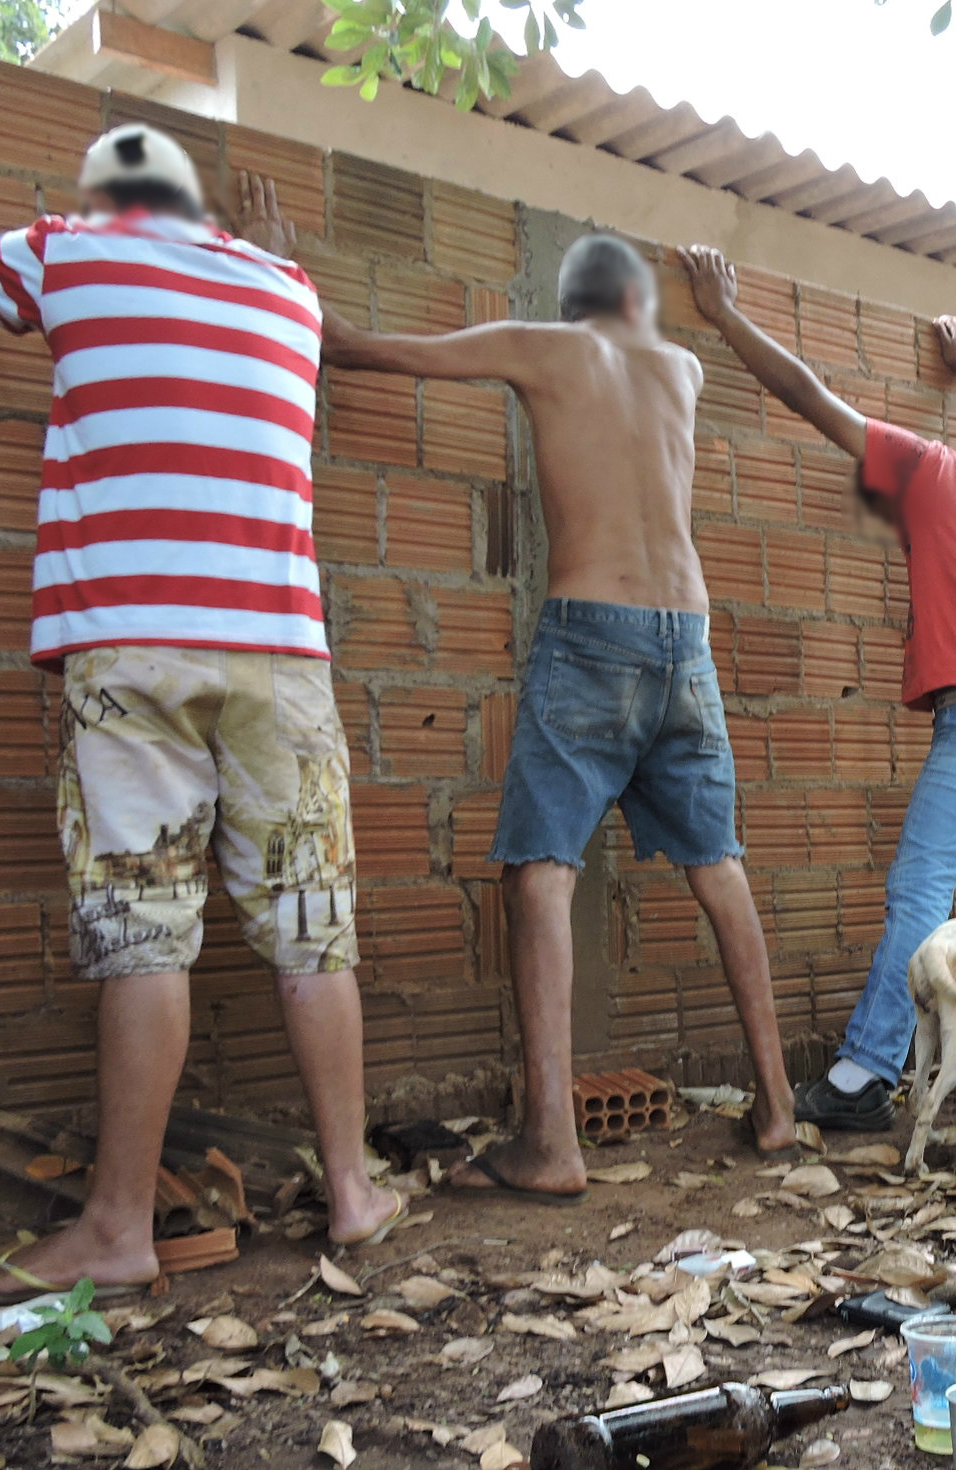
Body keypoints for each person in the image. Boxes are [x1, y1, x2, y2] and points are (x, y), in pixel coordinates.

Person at [0, 129, 402, 1305]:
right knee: (311, 919)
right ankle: (354, 1189)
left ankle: (116, 1226)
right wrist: (270, 254)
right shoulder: (288, 288)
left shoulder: (61, 252)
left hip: (134, 643)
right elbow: (260, 313)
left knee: (144, 928)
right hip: (282, 651)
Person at [308, 216, 800, 1183]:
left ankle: (551, 1142)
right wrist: (723, 309)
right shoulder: (681, 372)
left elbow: (392, 352)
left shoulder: (545, 345)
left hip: (592, 632)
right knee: (719, 862)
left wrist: (309, 317)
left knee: (540, 865)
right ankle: (779, 1106)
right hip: (686, 643)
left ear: (571, 304)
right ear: (635, 301)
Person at [679, 246, 956, 1134]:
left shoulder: (929, 472)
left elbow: (810, 396)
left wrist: (724, 317)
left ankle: (862, 1075)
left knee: (919, 897)